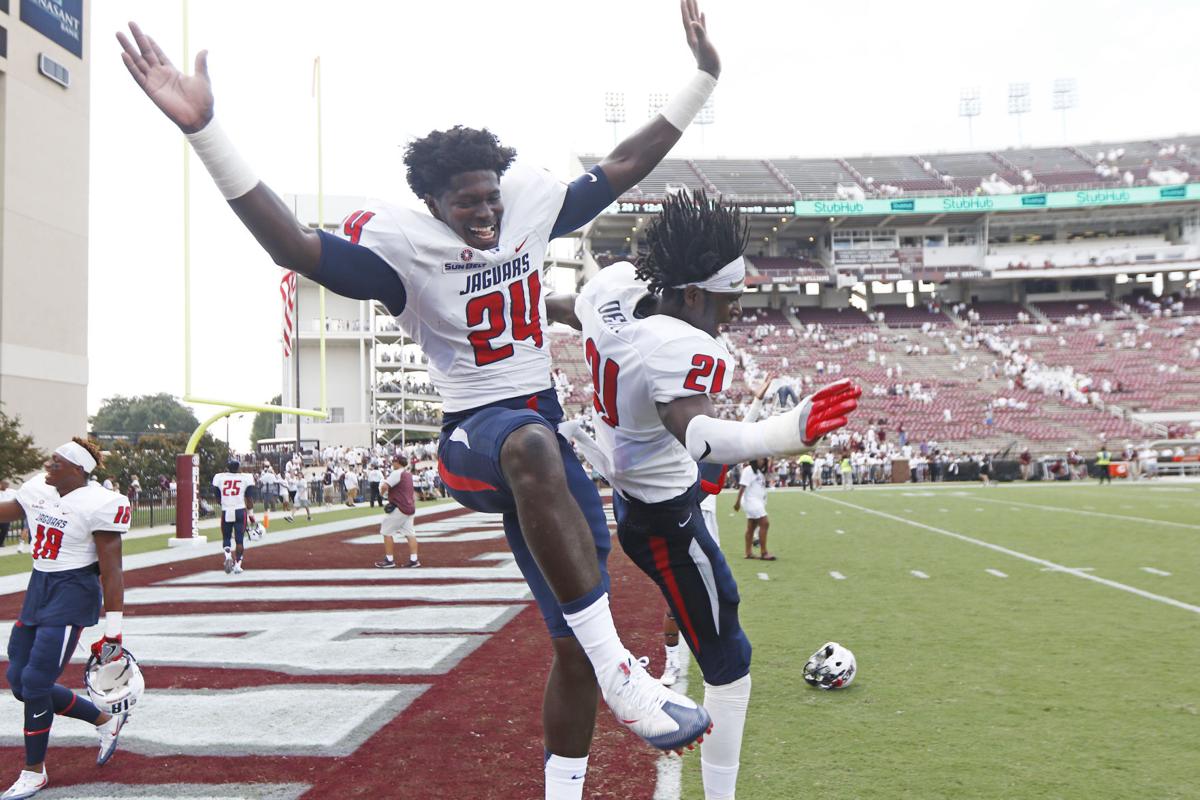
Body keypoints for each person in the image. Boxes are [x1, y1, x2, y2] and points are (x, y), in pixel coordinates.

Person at [119, 3, 724, 790]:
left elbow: (623, 162)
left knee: (575, 634)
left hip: (541, 434)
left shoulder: (527, 207)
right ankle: (625, 676)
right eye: (465, 202)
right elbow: (293, 247)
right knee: (532, 450)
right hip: (475, 438)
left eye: (488, 197)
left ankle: (567, 777)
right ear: (433, 204)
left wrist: (702, 78)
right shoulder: (401, 249)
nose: (483, 211)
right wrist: (207, 133)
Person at [555, 192, 858, 799]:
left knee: (718, 592)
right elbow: (696, 433)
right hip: (664, 519)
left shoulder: (611, 294)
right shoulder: (682, 345)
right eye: (725, 303)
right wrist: (782, 432)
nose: (730, 316)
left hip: (645, 487)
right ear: (692, 294)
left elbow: (570, 307)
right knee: (731, 662)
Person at [0, 439, 132, 798]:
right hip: (39, 585)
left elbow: (112, 571)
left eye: (55, 463)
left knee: (37, 682)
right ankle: (104, 719)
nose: (47, 466)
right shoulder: (39, 490)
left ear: (78, 470)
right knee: (20, 683)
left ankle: (33, 770)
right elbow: (8, 510)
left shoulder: (100, 503)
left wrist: (114, 632)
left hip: (72, 589)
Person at [210, 459, 254, 574]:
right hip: (240, 510)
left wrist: (224, 503)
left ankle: (228, 555)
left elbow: (217, 496)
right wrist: (251, 514)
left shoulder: (220, 478)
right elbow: (249, 499)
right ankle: (238, 564)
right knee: (239, 540)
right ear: (238, 467)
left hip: (226, 510)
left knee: (226, 537)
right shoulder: (245, 478)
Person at [376, 454, 418, 569]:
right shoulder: (408, 474)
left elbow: (385, 486)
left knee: (386, 531)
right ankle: (414, 559)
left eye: (394, 461)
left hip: (399, 507)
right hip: (410, 507)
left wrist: (382, 493)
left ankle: (389, 560)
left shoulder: (396, 473)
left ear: (398, 462)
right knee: (410, 533)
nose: (392, 463)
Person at [735, 459, 774, 560]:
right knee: (765, 523)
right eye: (760, 458)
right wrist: (737, 502)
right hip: (751, 502)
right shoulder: (748, 470)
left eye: (763, 459)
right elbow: (742, 486)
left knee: (751, 527)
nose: (762, 461)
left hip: (757, 502)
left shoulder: (758, 471)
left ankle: (748, 553)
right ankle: (764, 552)